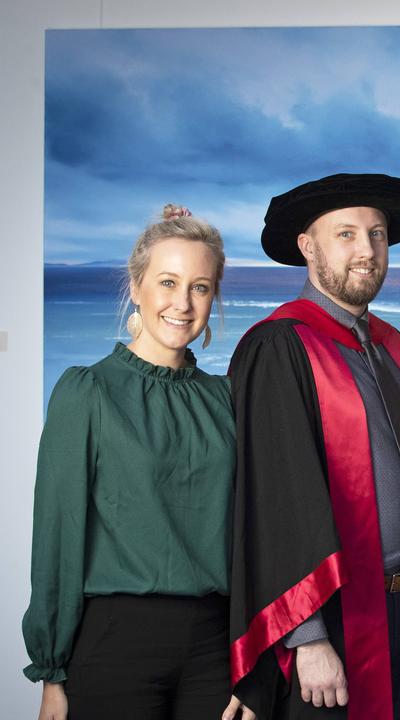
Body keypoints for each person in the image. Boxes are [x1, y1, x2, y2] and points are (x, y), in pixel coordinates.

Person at [228, 174, 400, 719]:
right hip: (334, 626)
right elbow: (277, 498)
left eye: (376, 234)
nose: (367, 250)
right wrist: (307, 637)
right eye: (345, 234)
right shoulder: (279, 346)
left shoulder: (394, 347)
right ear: (307, 246)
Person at [23, 205, 244, 719]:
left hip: (217, 648)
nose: (183, 303)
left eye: (201, 287)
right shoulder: (89, 391)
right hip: (116, 643)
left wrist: (250, 659)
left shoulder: (228, 400)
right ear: (137, 285)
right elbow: (58, 532)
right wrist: (53, 671)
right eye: (168, 282)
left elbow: (252, 532)